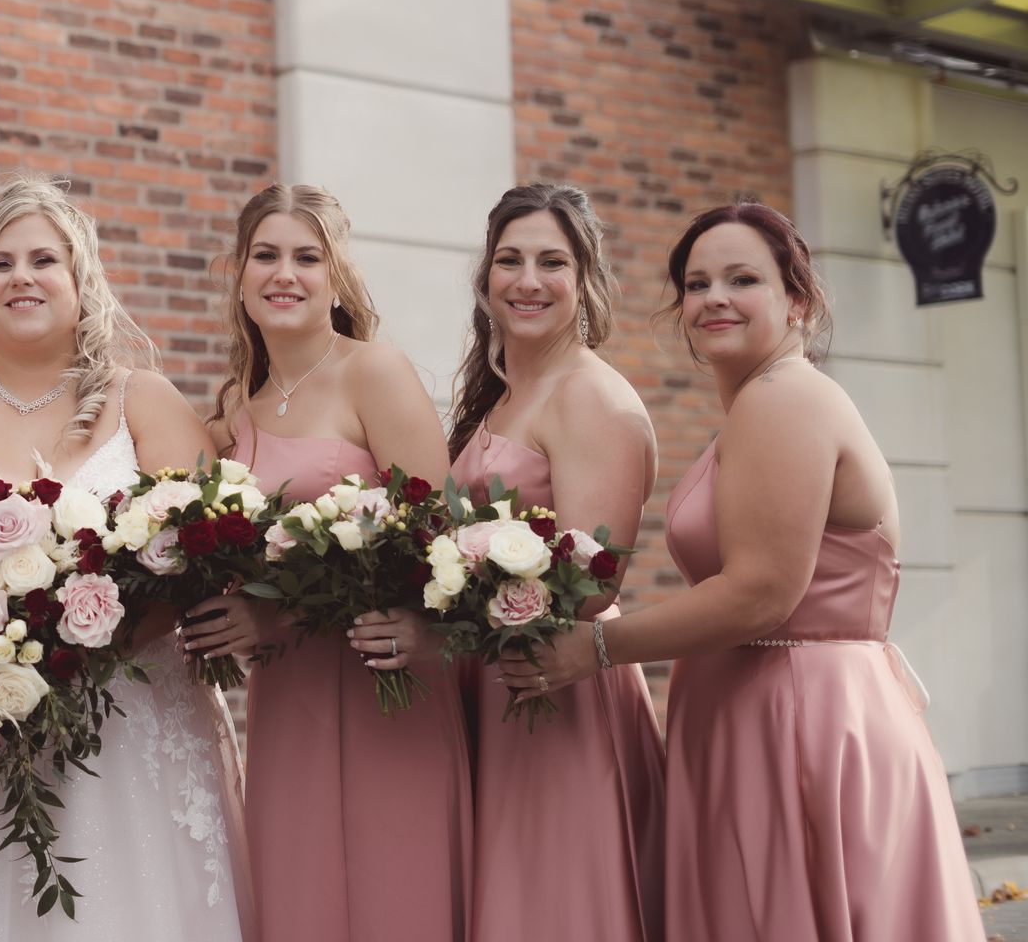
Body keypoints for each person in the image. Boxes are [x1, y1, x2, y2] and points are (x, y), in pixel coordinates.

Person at [507, 201, 984, 942]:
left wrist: (595, 648)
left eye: (742, 279)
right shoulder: (760, 406)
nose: (714, 298)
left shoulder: (783, 399)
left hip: (797, 720)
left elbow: (762, 592)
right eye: (697, 284)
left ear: (798, 299)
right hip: (759, 712)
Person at [0, 175, 248, 941]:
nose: (22, 278)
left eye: (44, 260)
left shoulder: (143, 401)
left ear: (81, 281)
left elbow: (203, 559)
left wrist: (67, 667)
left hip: (126, 721)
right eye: (2, 263)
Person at [183, 182, 471, 941]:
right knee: (299, 898)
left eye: (307, 257)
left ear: (336, 277)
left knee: (392, 897)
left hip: (384, 677)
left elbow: (435, 542)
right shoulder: (234, 411)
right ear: (238, 276)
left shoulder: (375, 372)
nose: (286, 274)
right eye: (266, 256)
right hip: (289, 695)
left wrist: (272, 612)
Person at [445, 184, 663, 941]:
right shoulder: (501, 394)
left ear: (586, 279)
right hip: (491, 675)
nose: (527, 281)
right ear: (486, 278)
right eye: (509, 260)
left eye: (551, 262)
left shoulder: (591, 398)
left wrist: (449, 606)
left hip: (556, 686)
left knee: (554, 907)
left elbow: (589, 578)